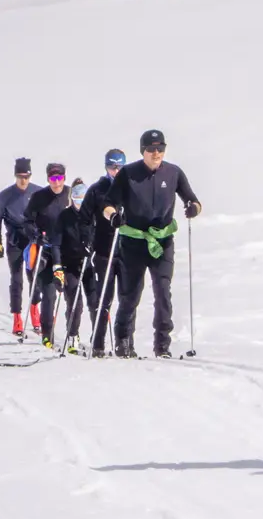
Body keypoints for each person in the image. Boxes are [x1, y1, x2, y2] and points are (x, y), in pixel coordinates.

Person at [101, 130, 201, 358]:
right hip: (134, 241)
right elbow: (108, 203)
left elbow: (193, 199)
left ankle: (162, 345)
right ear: (142, 151)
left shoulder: (174, 173)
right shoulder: (128, 174)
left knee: (163, 291)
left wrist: (193, 208)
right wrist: (113, 215)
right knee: (130, 294)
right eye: (151, 149)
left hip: (162, 241)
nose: (156, 153)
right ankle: (124, 341)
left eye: (160, 149)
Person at [80, 149, 127, 357]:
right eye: (112, 167)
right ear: (106, 167)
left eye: (119, 167)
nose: (115, 171)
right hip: (103, 252)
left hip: (126, 252)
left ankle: (125, 343)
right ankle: (98, 343)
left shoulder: (130, 187)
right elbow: (85, 218)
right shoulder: (97, 190)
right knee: (103, 299)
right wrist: (87, 241)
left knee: (127, 299)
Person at [0, 157, 42, 336]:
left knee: (34, 277)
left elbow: (46, 214)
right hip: (14, 241)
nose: (23, 180)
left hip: (32, 240)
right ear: (15, 176)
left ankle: (35, 311)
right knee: (17, 279)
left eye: (26, 176)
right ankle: (17, 318)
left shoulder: (37, 192)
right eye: (20, 176)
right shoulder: (5, 196)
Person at [24, 163, 72, 348]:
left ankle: (72, 334)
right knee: (49, 294)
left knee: (70, 293)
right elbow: (27, 221)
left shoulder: (70, 195)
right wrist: (35, 235)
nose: (57, 182)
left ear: (64, 178)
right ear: (47, 179)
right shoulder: (38, 197)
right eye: (53, 179)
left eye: (59, 178)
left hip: (67, 251)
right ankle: (47, 335)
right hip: (46, 251)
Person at [57, 179, 90, 354]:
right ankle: (72, 335)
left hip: (88, 264)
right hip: (70, 265)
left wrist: (91, 247)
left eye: (83, 199)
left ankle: (98, 339)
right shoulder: (65, 216)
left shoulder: (92, 215)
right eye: (76, 199)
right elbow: (58, 243)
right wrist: (58, 266)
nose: (79, 203)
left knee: (95, 301)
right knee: (75, 302)